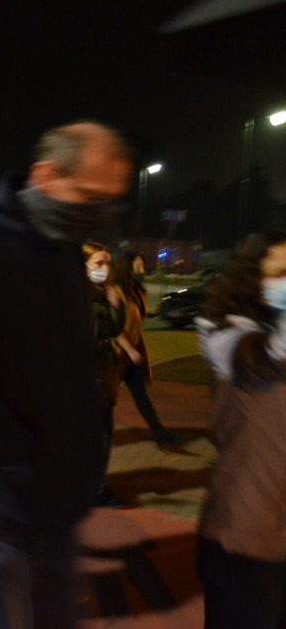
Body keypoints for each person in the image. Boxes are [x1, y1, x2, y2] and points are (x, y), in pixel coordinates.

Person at [0, 121, 132, 628]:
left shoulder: (61, 243)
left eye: (110, 202)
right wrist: (25, 470)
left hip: (49, 507)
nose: (98, 214)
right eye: (88, 196)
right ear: (45, 176)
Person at [195, 230, 286, 628]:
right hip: (244, 540)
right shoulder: (226, 337)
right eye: (282, 271)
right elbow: (274, 354)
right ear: (251, 277)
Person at [111, 251, 182, 448]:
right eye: (139, 266)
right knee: (103, 400)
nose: (143, 270)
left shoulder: (137, 291)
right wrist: (129, 350)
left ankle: (161, 435)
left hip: (132, 354)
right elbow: (112, 328)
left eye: (143, 266)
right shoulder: (115, 292)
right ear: (128, 267)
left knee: (141, 395)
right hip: (116, 354)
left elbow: (138, 318)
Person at [83, 241, 129, 509]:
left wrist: (116, 306)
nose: (104, 268)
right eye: (99, 263)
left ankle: (96, 486)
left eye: (107, 263)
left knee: (102, 433)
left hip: (102, 374)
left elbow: (112, 331)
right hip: (84, 377)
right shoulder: (77, 295)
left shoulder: (104, 293)